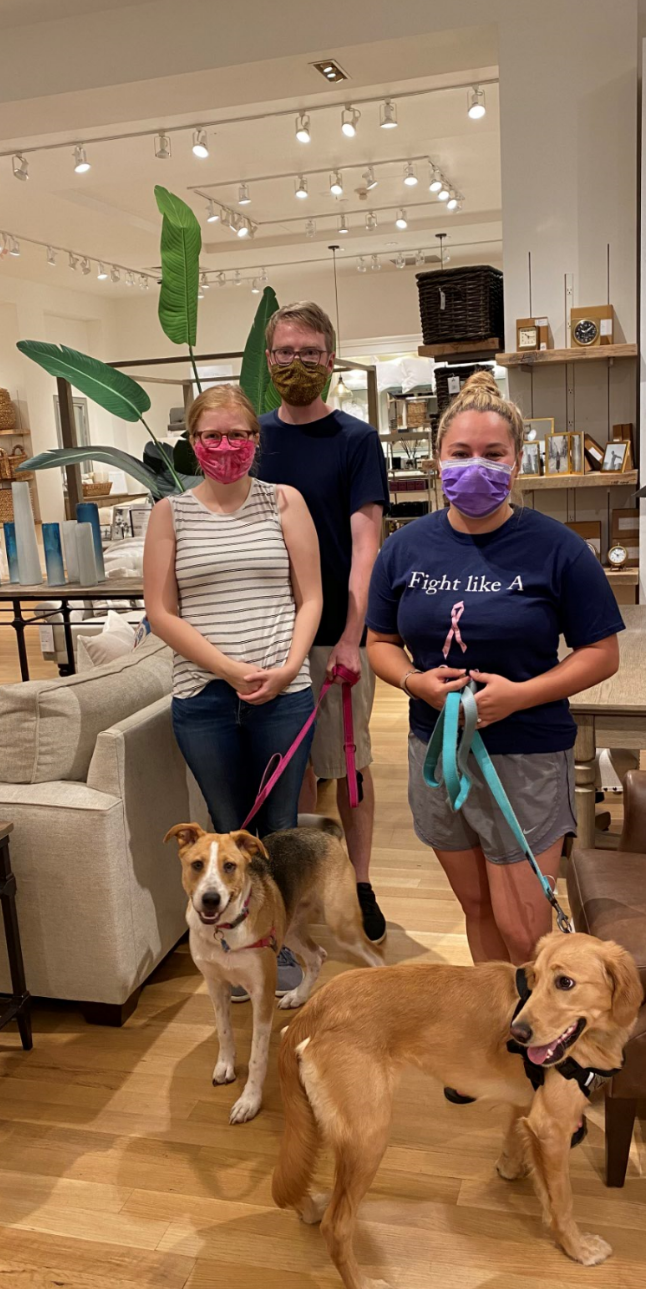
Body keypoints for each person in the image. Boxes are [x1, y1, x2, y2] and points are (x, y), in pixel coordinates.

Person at [366, 371, 624, 969]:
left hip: (525, 755)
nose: (475, 466)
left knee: (523, 927)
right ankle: (495, 1017)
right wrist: (413, 682)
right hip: (436, 752)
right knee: (477, 907)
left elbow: (601, 653)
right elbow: (379, 642)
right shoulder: (403, 548)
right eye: (460, 453)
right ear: (437, 460)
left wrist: (521, 696)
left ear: (517, 462)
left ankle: (534, 1024)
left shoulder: (557, 548)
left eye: (492, 454)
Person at [143, 385, 322, 994]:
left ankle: (278, 945)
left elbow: (311, 596)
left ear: (255, 439)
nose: (225, 447)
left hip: (284, 694)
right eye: (211, 436)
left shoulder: (285, 501)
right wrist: (227, 669)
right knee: (225, 828)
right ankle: (234, 949)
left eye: (238, 435)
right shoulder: (170, 513)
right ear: (193, 442)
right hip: (204, 698)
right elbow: (161, 612)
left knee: (277, 833)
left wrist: (288, 667)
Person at [257, 301, 390, 945]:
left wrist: (351, 637)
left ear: (330, 360)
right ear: (268, 359)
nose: (297, 363)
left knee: (351, 768)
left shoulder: (356, 441)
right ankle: (306, 887)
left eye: (309, 353)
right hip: (267, 636)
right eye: (286, 352)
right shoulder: (251, 440)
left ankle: (359, 883)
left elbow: (366, 546)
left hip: (335, 633)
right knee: (294, 771)